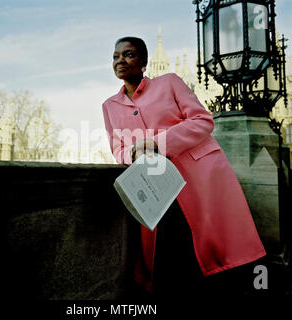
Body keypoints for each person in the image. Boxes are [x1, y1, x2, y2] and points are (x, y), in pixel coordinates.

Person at [102, 36, 266, 301]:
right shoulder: (109, 106)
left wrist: (156, 143)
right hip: (153, 186)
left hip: (197, 177)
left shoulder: (170, 82)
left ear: (144, 62)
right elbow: (117, 148)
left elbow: (203, 121)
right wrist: (133, 153)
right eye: (116, 56)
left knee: (206, 248)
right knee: (167, 254)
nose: (121, 60)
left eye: (129, 54)